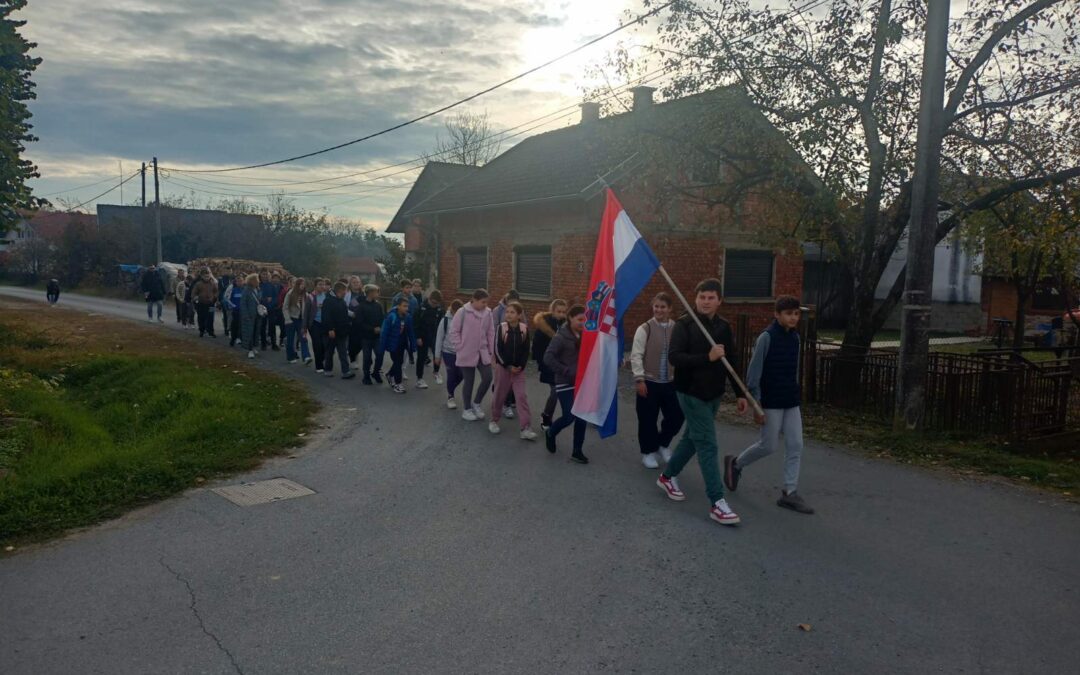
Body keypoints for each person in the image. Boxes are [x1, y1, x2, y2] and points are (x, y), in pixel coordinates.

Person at [655, 278, 747, 527]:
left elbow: (733, 360)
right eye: (702, 297)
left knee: (692, 440)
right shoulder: (685, 324)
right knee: (707, 444)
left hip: (713, 394)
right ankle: (717, 502)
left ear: (719, 300)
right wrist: (707, 357)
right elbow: (675, 358)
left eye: (711, 297)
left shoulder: (724, 326)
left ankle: (667, 476)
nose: (706, 302)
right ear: (695, 299)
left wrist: (740, 393)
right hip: (690, 393)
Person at [724, 296, 814, 514]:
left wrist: (796, 391)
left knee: (796, 445)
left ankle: (789, 492)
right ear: (777, 314)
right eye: (788, 314)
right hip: (770, 401)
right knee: (769, 445)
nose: (793, 318)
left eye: (795, 314)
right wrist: (757, 403)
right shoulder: (767, 337)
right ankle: (735, 464)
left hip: (790, 401)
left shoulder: (795, 338)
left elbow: (794, 370)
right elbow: (754, 372)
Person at [631, 293, 684, 469]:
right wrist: (639, 379)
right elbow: (636, 355)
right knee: (647, 419)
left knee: (677, 416)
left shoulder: (676, 328)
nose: (659, 310)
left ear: (670, 309)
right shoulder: (645, 328)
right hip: (649, 382)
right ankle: (648, 452)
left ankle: (662, 444)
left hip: (671, 382)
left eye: (663, 307)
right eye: (656, 306)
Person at [543, 305, 589, 464]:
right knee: (569, 416)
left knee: (582, 418)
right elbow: (548, 357)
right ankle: (551, 432)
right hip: (565, 383)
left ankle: (577, 451)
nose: (583, 323)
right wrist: (565, 370)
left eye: (585, 319)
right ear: (570, 318)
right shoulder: (561, 337)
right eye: (580, 319)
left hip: (581, 383)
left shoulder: (586, 335)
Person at [489, 302, 537, 440]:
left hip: (519, 370)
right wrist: (508, 366)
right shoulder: (501, 328)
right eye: (507, 312)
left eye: (512, 312)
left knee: (521, 396)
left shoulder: (524, 329)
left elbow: (526, 350)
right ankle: (494, 420)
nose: (508, 315)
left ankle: (525, 428)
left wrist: (520, 366)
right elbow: (497, 350)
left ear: (519, 315)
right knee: (499, 394)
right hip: (503, 368)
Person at [450, 288, 495, 421]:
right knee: (469, 381)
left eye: (486, 302)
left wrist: (491, 351)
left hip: (483, 352)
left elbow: (491, 332)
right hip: (466, 352)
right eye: (483, 302)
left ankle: (476, 403)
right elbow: (454, 331)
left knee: (488, 377)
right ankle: (467, 409)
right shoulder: (462, 312)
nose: (485, 305)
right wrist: (459, 346)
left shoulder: (488, 313)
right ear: (474, 300)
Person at [532, 299, 567, 430]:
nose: (561, 314)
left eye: (564, 312)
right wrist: (541, 362)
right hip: (548, 363)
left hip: (561, 364)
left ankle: (547, 415)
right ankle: (546, 417)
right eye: (559, 311)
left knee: (557, 392)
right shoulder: (544, 325)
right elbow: (537, 346)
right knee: (555, 391)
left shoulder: (566, 324)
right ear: (552, 311)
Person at [492, 289, 523, 420]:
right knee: (502, 379)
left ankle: (507, 400)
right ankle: (504, 404)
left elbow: (524, 326)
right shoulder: (497, 311)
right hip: (501, 351)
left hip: (515, 350)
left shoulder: (520, 311)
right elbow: (493, 329)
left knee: (511, 379)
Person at [380, 296, 416, 393]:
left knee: (399, 362)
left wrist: (413, 345)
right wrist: (382, 348)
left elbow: (410, 332)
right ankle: (398, 383)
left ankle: (389, 374)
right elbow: (384, 333)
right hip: (393, 344)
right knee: (397, 362)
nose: (406, 308)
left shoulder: (408, 317)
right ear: (398, 306)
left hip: (402, 344)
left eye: (407, 306)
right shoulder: (391, 316)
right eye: (404, 306)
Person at [321, 281, 355, 379]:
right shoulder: (328, 301)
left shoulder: (342, 302)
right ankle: (328, 369)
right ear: (339, 290)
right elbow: (326, 317)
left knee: (343, 352)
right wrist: (330, 329)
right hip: (331, 332)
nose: (346, 293)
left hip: (341, 332)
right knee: (329, 352)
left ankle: (346, 371)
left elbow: (344, 316)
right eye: (345, 290)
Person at [435, 299, 464, 408]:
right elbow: (439, 338)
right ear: (452, 310)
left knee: (462, 375)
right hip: (448, 352)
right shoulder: (445, 320)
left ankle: (450, 388)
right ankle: (450, 396)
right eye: (456, 312)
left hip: (461, 352)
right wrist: (437, 356)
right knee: (451, 374)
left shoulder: (464, 320)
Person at [414, 290, 445, 389]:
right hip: (422, 336)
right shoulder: (420, 308)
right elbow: (415, 324)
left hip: (435, 336)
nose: (435, 305)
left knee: (438, 354)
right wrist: (418, 337)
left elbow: (442, 324)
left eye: (437, 303)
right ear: (429, 299)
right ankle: (419, 379)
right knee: (421, 357)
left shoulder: (440, 310)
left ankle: (436, 372)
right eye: (433, 303)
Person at [357, 284, 385, 384]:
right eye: (376, 292)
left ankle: (376, 372)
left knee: (380, 354)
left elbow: (382, 318)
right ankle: (366, 376)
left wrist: (381, 327)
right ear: (370, 293)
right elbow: (359, 322)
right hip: (366, 337)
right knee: (367, 357)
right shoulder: (361, 306)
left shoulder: (378, 305)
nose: (378, 294)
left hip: (377, 336)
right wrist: (372, 329)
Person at [283, 277, 314, 365]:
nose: (302, 286)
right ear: (297, 285)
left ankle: (306, 356)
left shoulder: (306, 295)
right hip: (292, 319)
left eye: (304, 284)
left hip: (301, 320)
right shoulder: (290, 293)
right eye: (301, 284)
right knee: (290, 339)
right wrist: (288, 319)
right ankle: (290, 356)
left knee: (303, 338)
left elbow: (310, 307)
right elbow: (285, 307)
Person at [190, 267, 219, 338]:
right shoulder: (198, 284)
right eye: (205, 276)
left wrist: (214, 297)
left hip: (211, 303)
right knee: (201, 317)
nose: (207, 277)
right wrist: (195, 298)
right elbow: (193, 293)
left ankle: (211, 332)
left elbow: (217, 291)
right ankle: (202, 331)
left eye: (208, 275)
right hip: (201, 304)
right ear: (202, 276)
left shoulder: (213, 283)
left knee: (211, 318)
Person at [309, 279, 330, 373]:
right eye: (320, 284)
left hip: (324, 323)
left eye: (324, 285)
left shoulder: (326, 296)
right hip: (315, 323)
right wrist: (304, 327)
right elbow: (306, 313)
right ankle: (319, 365)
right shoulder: (311, 296)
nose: (322, 286)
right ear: (315, 286)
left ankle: (323, 359)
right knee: (317, 344)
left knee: (325, 344)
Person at [240, 273, 262, 359]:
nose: (259, 281)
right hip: (249, 315)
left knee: (256, 332)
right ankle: (249, 349)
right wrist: (245, 315)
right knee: (249, 332)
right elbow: (243, 303)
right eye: (257, 280)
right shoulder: (246, 290)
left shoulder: (257, 289)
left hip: (257, 315)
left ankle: (254, 347)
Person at [345, 276, 365, 367]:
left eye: (357, 282)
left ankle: (353, 354)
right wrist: (351, 314)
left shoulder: (364, 294)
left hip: (362, 321)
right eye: (354, 282)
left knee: (360, 342)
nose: (356, 284)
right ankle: (353, 359)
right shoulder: (347, 294)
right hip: (351, 320)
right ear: (350, 284)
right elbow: (344, 307)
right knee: (352, 341)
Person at [258, 271, 279, 351]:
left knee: (272, 326)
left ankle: (274, 344)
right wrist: (265, 300)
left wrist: (272, 302)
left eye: (266, 274)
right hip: (262, 309)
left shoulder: (272, 285)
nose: (265, 276)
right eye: (263, 274)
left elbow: (275, 297)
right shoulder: (258, 285)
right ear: (260, 275)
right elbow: (257, 297)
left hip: (271, 309)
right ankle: (263, 344)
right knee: (262, 326)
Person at [224, 275, 246, 347]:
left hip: (244, 312)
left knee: (242, 326)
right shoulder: (233, 290)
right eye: (238, 281)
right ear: (236, 282)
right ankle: (233, 339)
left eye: (241, 281)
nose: (239, 282)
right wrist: (233, 306)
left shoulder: (245, 290)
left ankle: (241, 339)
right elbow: (227, 299)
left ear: (243, 281)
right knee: (234, 326)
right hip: (235, 311)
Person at [218, 268, 233, 335]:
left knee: (232, 314)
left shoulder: (233, 278)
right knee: (226, 314)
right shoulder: (221, 279)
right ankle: (226, 329)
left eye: (230, 271)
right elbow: (221, 289)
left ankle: (231, 328)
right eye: (228, 271)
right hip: (224, 299)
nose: (229, 272)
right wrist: (218, 300)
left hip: (232, 299)